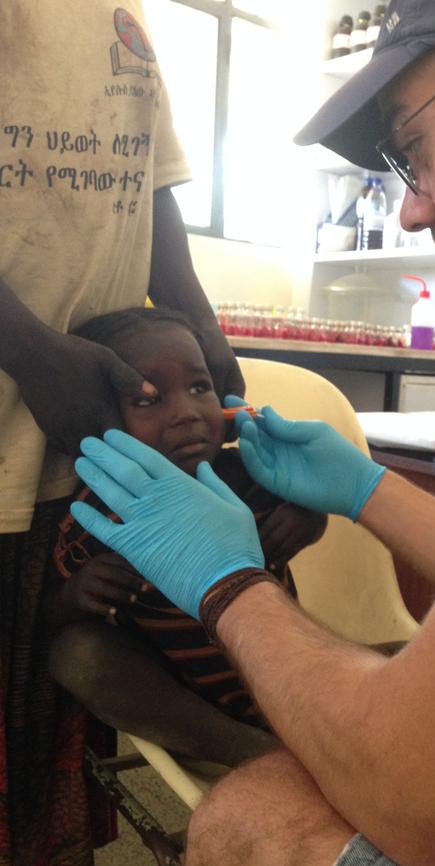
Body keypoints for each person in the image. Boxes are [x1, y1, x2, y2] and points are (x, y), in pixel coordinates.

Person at [67, 0, 435, 864]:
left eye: (412, 149)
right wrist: (369, 490)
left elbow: (414, 795)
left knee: (255, 812)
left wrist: (223, 584)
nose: (411, 211)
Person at [0, 3, 242, 864]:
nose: (186, 411)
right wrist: (25, 349)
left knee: (45, 769)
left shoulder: (121, 12)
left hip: (72, 438)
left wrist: (202, 325)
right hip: (21, 426)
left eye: (198, 391)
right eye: (159, 394)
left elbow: (151, 179)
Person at [46, 307, 326, 767]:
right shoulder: (100, 512)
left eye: (199, 387)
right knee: (75, 655)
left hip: (295, 678)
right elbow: (47, 622)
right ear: (96, 415)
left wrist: (308, 517)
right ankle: (259, 758)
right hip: (196, 713)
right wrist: (76, 595)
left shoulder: (249, 474)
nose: (188, 413)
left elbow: (316, 516)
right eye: (148, 400)